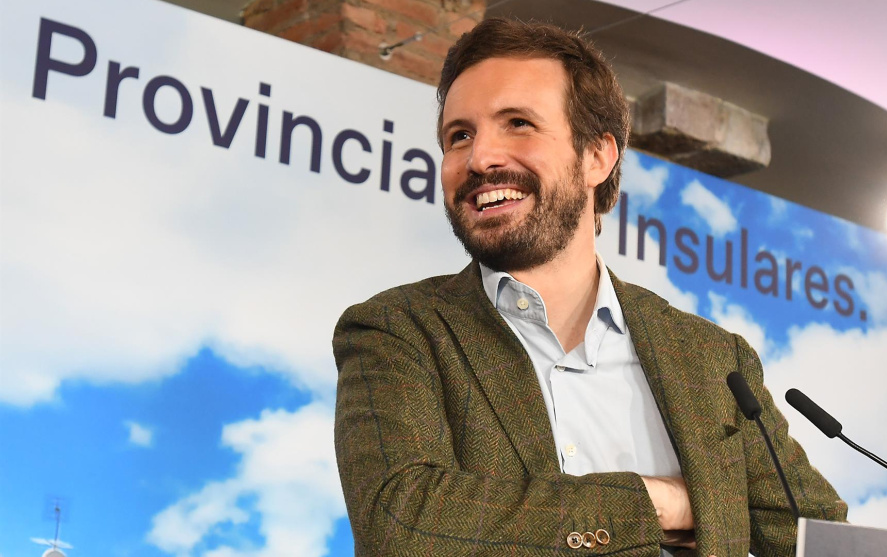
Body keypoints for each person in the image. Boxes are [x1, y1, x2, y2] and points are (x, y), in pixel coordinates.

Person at [333, 18, 846, 557]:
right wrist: (656, 504)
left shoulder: (712, 360)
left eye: (518, 124)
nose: (479, 158)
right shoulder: (398, 332)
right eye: (459, 136)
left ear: (597, 157)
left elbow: (820, 539)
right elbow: (401, 527)